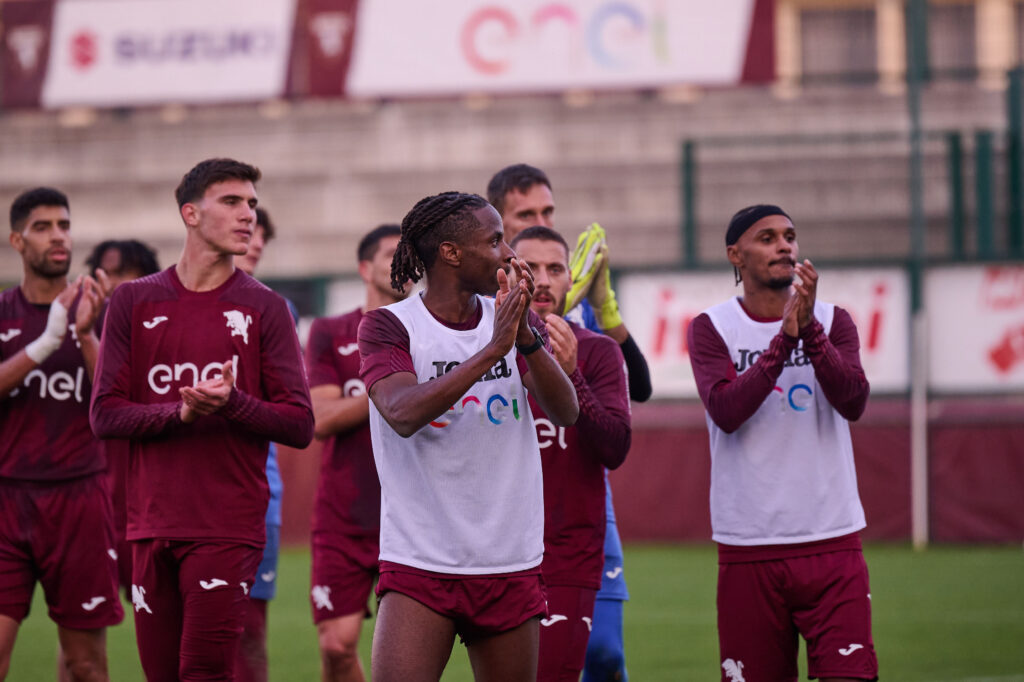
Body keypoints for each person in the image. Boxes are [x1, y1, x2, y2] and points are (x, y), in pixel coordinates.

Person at [89, 158, 314, 681]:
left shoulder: (267, 309)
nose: (248, 215)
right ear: (190, 213)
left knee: (205, 674)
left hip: (227, 527)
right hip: (148, 524)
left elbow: (299, 424)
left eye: (252, 204)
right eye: (232, 202)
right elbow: (104, 414)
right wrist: (182, 411)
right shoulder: (132, 301)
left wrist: (232, 403)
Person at [357, 191, 579, 682]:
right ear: (451, 253)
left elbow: (566, 411)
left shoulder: (513, 318)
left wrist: (524, 338)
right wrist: (494, 348)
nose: (510, 253)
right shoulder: (388, 327)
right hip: (420, 561)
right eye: (496, 240)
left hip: (508, 559)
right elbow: (401, 412)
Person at [686, 205, 878, 682]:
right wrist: (783, 344)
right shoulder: (712, 327)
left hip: (833, 541)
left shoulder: (835, 321)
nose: (784, 246)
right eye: (767, 237)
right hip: (749, 546)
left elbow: (853, 401)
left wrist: (808, 330)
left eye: (790, 236)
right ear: (736, 254)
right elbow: (727, 412)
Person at [488, 163, 650, 681]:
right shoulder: (482, 323)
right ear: (499, 232)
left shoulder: (574, 318)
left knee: (601, 654)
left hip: (580, 512)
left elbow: (637, 390)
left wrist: (604, 308)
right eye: (526, 214)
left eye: (548, 211)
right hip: (508, 522)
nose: (541, 218)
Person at [0, 187, 122, 681]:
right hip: (6, 501)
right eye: (44, 227)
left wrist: (85, 334)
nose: (58, 237)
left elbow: (113, 400)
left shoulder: (96, 309)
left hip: (80, 500)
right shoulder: (3, 312)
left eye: (65, 226)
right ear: (17, 240)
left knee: (86, 666)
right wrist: (48, 341)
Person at [509, 226, 631, 682]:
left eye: (555, 268)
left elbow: (615, 447)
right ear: (507, 273)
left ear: (569, 280)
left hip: (567, 556)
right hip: (490, 552)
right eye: (530, 267)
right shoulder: (481, 349)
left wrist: (571, 374)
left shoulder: (598, 353)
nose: (543, 280)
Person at [305, 224, 408, 682]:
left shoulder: (428, 331)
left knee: (406, 659)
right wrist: (393, 390)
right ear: (364, 268)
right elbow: (320, 419)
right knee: (336, 646)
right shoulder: (330, 331)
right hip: (343, 516)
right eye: (390, 254)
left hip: (409, 517)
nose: (400, 263)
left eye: (407, 255)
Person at [230, 207, 295, 682]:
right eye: (247, 234)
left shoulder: (276, 310)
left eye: (261, 238)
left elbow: (293, 410)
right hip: (179, 496)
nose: (254, 244)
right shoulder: (164, 302)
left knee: (249, 634)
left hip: (256, 493)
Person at [83, 239, 162, 596]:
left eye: (125, 273)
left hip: (150, 495)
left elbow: (121, 388)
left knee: (164, 611)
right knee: (81, 622)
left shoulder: (161, 326)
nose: (114, 283)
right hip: (93, 492)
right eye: (107, 273)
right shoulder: (77, 324)